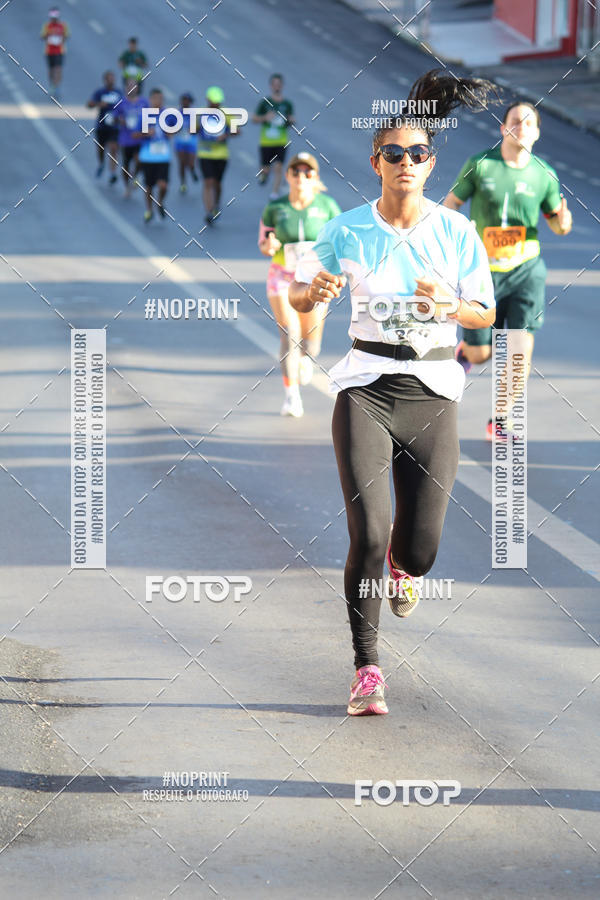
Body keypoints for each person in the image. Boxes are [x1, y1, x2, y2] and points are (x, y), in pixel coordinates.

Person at [289, 69, 497, 716]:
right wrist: (313, 294)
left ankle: (408, 573)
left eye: (417, 154)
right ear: (374, 161)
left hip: (434, 390)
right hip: (366, 390)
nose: (406, 163)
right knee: (371, 532)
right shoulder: (346, 229)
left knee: (420, 549)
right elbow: (300, 290)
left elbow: (485, 314)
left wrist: (453, 305)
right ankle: (367, 667)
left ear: (431, 164)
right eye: (393, 154)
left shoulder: (456, 233)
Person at [444, 102, 573, 439]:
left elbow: (559, 227)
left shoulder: (544, 174)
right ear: (503, 128)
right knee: (482, 353)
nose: (522, 126)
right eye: (515, 121)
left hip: (525, 270)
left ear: (537, 133)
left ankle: (500, 420)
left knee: (519, 350)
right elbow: (451, 204)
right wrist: (454, 240)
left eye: (529, 123)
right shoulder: (481, 165)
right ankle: (467, 352)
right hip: (481, 273)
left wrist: (562, 218)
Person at [258, 153, 341, 417]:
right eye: (296, 172)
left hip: (314, 280)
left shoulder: (327, 206)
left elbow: (342, 240)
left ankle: (306, 359)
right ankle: (291, 395)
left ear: (315, 177)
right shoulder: (276, 207)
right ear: (288, 176)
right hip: (282, 277)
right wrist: (268, 246)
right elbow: (264, 240)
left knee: (311, 343)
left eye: (307, 173)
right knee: (290, 332)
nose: (301, 177)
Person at [196, 86, 238, 225]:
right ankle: (209, 211)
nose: (216, 105)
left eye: (218, 102)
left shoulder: (226, 113)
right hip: (205, 153)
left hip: (221, 155)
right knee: (208, 182)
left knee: (217, 183)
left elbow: (236, 131)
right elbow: (192, 129)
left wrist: (225, 135)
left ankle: (216, 205)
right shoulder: (201, 113)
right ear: (208, 100)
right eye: (214, 102)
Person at [133, 88, 173, 223]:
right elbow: (134, 134)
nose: (159, 101)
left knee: (163, 185)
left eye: (161, 99)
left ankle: (160, 202)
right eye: (156, 98)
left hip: (163, 156)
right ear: (151, 100)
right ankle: (149, 210)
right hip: (148, 156)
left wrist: (170, 133)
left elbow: (175, 129)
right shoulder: (144, 116)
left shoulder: (167, 115)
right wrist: (146, 133)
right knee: (149, 186)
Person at [252, 74, 295, 199]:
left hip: (281, 141)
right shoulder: (265, 103)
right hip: (266, 141)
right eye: (274, 84)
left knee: (278, 166)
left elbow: (292, 119)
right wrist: (265, 118)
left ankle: (274, 193)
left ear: (282, 86)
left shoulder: (287, 104)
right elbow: (254, 118)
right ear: (271, 86)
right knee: (265, 169)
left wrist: (290, 120)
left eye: (279, 84)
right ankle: (264, 175)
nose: (277, 86)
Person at [87, 71, 123, 184]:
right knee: (101, 148)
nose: (111, 80)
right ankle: (101, 163)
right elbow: (89, 104)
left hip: (114, 126)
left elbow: (124, 106)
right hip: (102, 125)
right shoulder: (100, 92)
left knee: (113, 148)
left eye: (113, 78)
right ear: (105, 80)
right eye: (109, 78)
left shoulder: (118, 93)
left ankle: (113, 173)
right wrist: (98, 104)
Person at [117, 79, 146, 197]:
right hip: (125, 139)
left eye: (134, 86)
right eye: (129, 86)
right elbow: (114, 116)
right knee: (126, 165)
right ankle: (127, 186)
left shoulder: (144, 102)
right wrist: (121, 120)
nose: (131, 88)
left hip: (139, 138)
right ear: (125, 88)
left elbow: (151, 116)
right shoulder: (121, 102)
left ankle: (135, 176)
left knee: (139, 160)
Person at [40, 7, 70, 99]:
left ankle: (57, 86)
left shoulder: (63, 25)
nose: (54, 19)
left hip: (60, 51)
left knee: (58, 69)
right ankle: (52, 84)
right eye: (52, 18)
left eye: (55, 18)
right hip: (49, 51)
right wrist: (49, 36)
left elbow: (67, 35)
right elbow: (42, 36)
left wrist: (60, 39)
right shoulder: (47, 26)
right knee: (51, 69)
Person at [174, 92, 199, 194]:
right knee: (182, 163)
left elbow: (199, 128)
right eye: (183, 100)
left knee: (191, 163)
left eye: (187, 100)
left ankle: (192, 170)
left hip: (191, 142)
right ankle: (183, 183)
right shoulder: (176, 114)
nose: (185, 102)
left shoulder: (195, 115)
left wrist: (193, 130)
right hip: (180, 142)